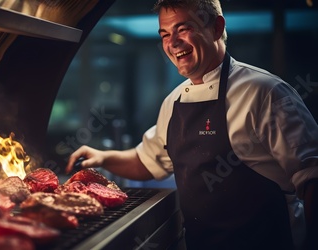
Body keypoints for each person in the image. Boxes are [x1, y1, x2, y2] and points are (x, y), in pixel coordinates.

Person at [65, 0, 318, 249]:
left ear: (217, 28)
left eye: (183, 29)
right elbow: (148, 161)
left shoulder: (265, 92)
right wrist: (102, 157)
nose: (172, 43)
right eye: (165, 34)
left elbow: (312, 178)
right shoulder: (174, 101)